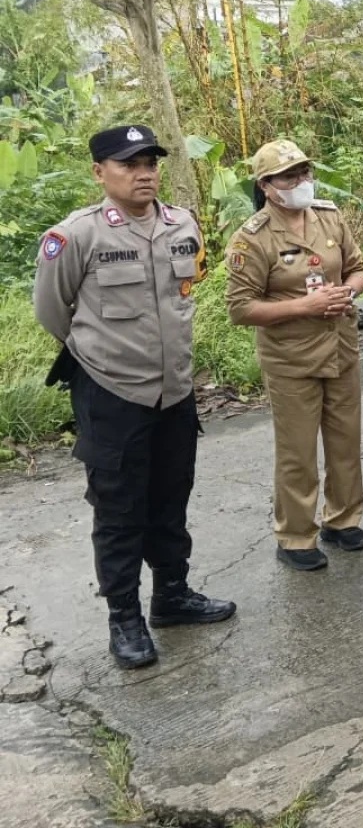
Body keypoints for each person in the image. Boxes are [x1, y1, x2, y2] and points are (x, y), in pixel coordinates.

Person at [33, 124, 236, 669]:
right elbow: (53, 311)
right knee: (120, 510)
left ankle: (172, 595)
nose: (144, 172)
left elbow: (186, 294)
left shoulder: (181, 224)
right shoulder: (76, 236)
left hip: (174, 391)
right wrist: (103, 358)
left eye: (150, 161)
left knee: (171, 498)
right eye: (129, 163)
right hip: (111, 392)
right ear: (100, 172)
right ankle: (124, 617)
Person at [224, 140, 363, 572]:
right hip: (292, 359)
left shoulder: (329, 217)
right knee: (298, 451)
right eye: (289, 177)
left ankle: (343, 519)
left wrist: (350, 290)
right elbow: (240, 308)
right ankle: (295, 534)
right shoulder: (252, 239)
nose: (301, 182)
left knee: (346, 442)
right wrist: (302, 307)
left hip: (340, 348)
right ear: (267, 186)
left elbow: (358, 269)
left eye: (304, 173)